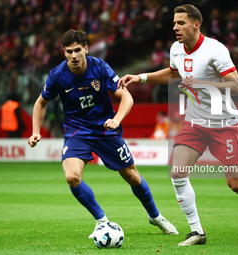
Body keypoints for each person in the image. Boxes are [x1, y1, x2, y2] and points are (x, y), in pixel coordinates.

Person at [118, 4, 238, 246]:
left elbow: (237, 86)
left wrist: (201, 84)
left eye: (181, 23)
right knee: (177, 172)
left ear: (196, 24)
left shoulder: (215, 49)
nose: (175, 27)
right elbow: (173, 73)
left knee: (236, 184)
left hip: (224, 123)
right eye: (174, 23)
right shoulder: (176, 49)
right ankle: (196, 231)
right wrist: (141, 77)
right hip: (195, 122)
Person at [27, 29, 178, 238]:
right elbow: (40, 103)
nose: (73, 56)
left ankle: (156, 216)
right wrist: (36, 131)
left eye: (77, 50)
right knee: (72, 177)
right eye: (69, 51)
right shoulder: (57, 75)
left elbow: (127, 98)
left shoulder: (100, 67)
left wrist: (116, 120)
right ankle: (102, 222)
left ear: (85, 49)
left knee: (132, 176)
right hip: (77, 132)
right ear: (64, 52)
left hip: (106, 130)